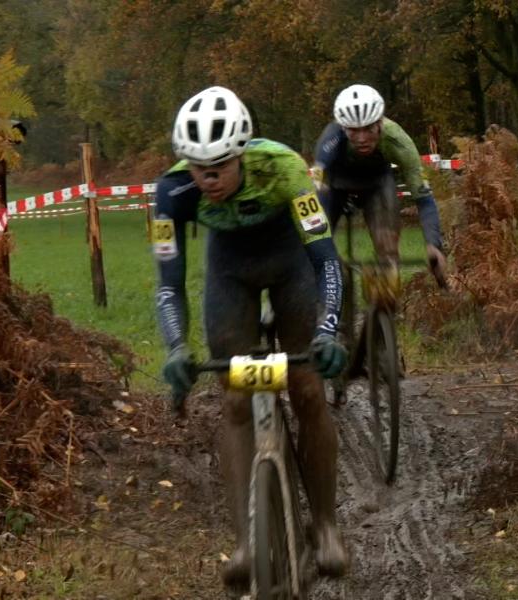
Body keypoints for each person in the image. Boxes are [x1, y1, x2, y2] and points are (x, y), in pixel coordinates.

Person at [153, 86, 349, 590]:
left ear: (241, 153)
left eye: (220, 164)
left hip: (291, 264)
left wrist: (327, 330)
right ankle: (247, 540)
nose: (209, 178)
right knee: (236, 401)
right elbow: (168, 285)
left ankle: (324, 524)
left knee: (307, 390)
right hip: (230, 272)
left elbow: (326, 260)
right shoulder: (171, 193)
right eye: (199, 167)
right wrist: (177, 347)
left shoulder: (285, 169)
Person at [313, 84, 446, 288]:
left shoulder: (397, 140)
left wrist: (433, 244)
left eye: (369, 129)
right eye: (354, 131)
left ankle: (385, 295)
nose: (362, 139)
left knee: (387, 249)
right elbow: (316, 182)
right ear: (343, 127)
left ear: (380, 123)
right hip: (335, 184)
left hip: (376, 183)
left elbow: (423, 197)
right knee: (316, 239)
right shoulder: (331, 137)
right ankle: (329, 281)